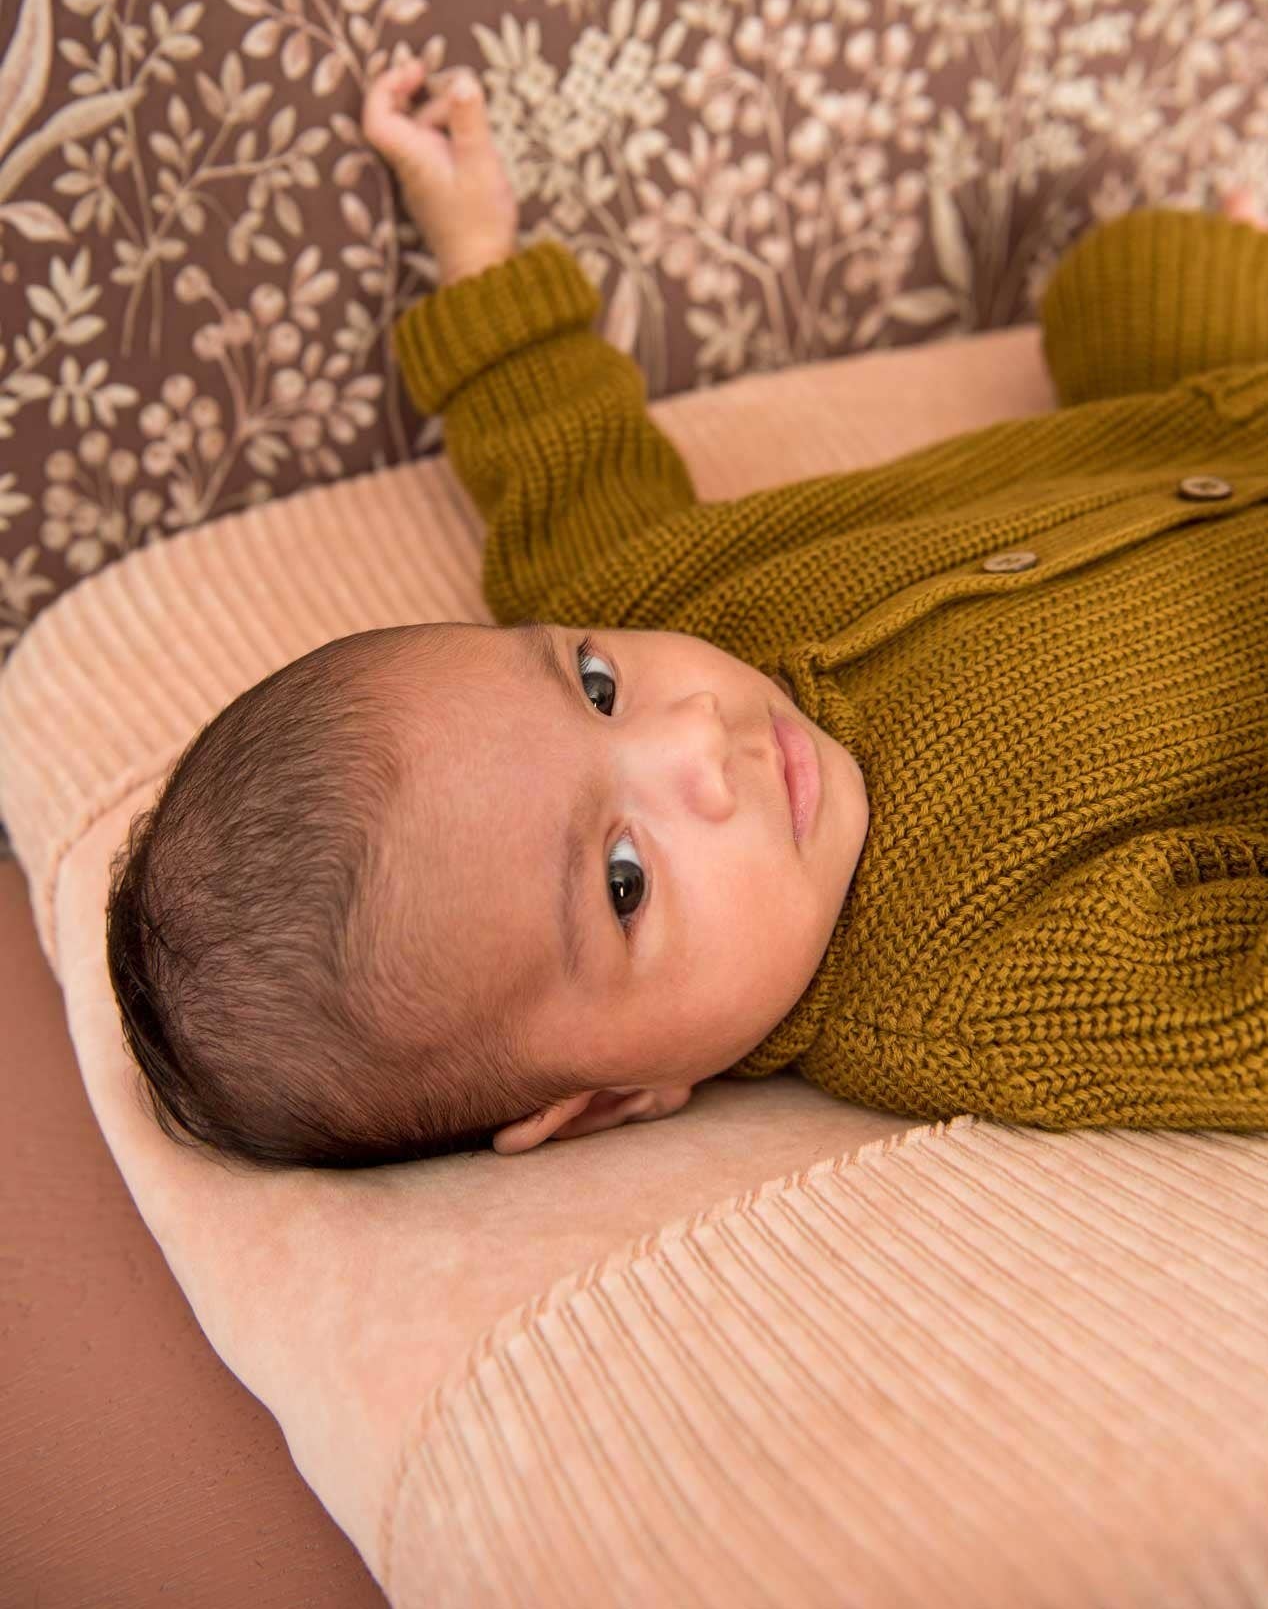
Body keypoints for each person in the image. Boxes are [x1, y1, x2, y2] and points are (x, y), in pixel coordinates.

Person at [105, 59, 1268, 1169]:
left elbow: (564, 465)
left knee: (1132, 277)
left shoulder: (656, 604)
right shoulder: (975, 990)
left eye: (595, 684)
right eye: (624, 880)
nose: (693, 736)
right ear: (614, 1098)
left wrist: (476, 253)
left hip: (1177, 438)